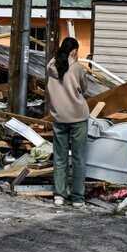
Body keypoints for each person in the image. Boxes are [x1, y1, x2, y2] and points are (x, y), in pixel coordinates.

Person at [46, 37, 89, 207]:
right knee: (78, 158)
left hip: (59, 117)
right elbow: (84, 88)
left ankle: (59, 195)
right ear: (74, 51)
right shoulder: (77, 68)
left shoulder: (51, 67)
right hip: (78, 116)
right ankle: (78, 197)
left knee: (60, 157)